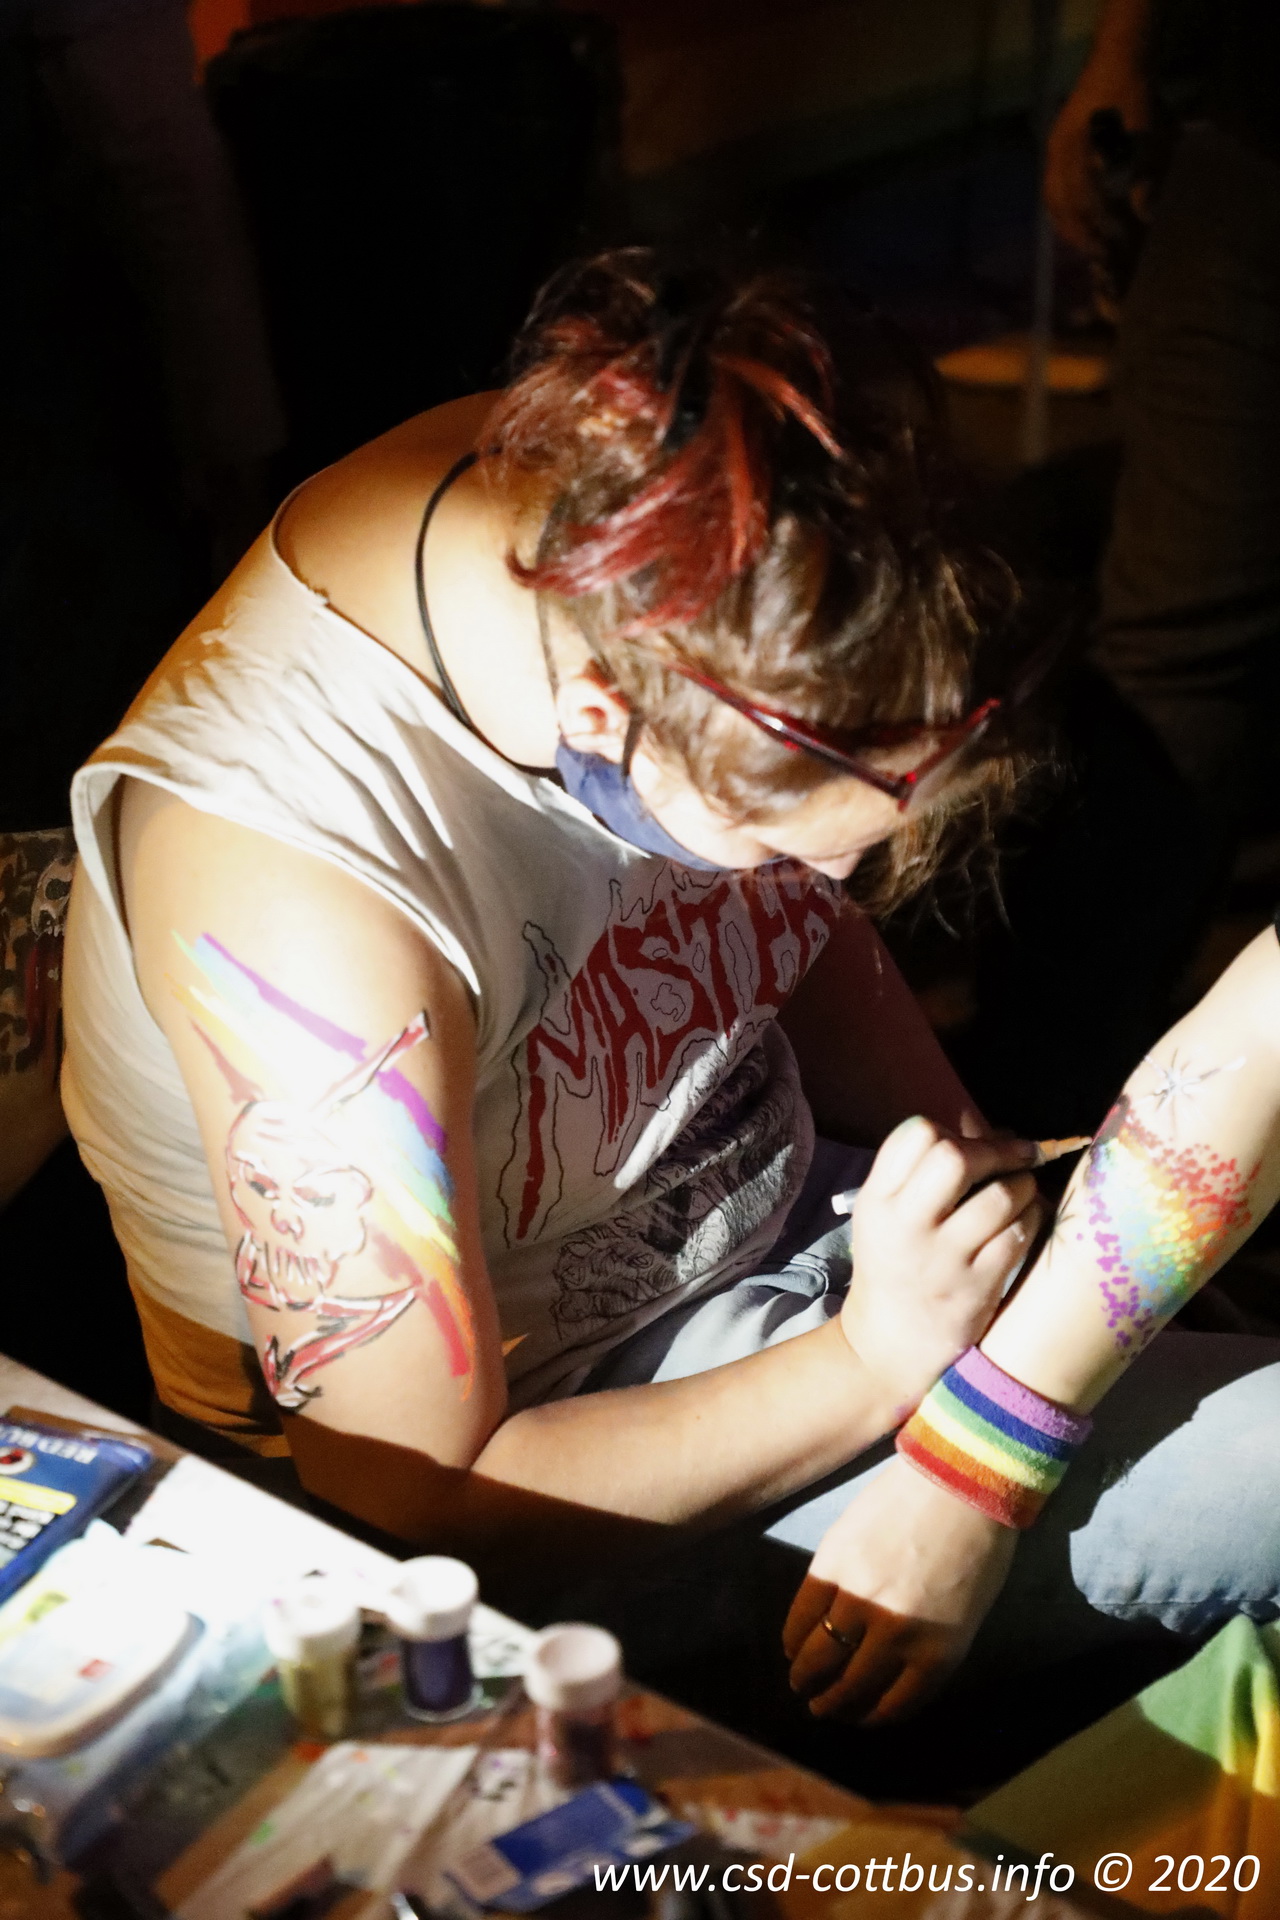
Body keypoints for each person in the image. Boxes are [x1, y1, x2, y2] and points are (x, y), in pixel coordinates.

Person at [61, 252, 1280, 1710]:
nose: (829, 893)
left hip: (803, 1237)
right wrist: (884, 1361)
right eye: (778, 846)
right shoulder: (300, 904)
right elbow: (414, 1497)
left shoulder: (667, 507)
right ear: (602, 717)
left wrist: (978, 1177)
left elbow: (794, 925)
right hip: (576, 1437)